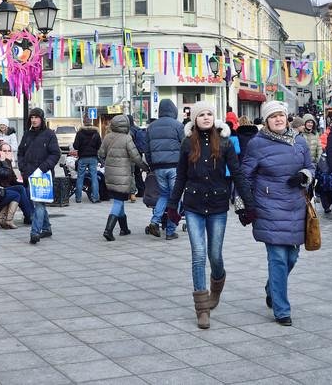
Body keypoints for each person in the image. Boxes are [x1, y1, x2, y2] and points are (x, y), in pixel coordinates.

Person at [167, 102, 251, 329]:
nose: (206, 117)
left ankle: (217, 286)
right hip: (193, 205)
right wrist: (172, 206)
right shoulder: (187, 143)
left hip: (217, 205)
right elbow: (181, 176)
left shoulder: (224, 143)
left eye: (209, 114)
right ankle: (202, 308)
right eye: (201, 114)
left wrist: (248, 204)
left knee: (215, 256)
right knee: (198, 254)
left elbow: (238, 174)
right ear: (194, 120)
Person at [240, 101, 311, 326]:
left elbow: (312, 167)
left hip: (296, 205)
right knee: (278, 258)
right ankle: (282, 310)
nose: (278, 119)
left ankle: (272, 286)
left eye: (281, 115)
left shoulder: (300, 141)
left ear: (287, 118)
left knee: (292, 256)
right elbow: (245, 176)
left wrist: (304, 175)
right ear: (266, 121)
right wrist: (243, 205)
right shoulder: (257, 144)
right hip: (269, 206)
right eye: (273, 117)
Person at [98, 114, 147, 241]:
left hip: (110, 173)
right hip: (123, 174)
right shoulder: (127, 138)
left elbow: (101, 153)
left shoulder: (107, 137)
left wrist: (106, 163)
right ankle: (108, 230)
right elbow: (136, 156)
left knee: (119, 200)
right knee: (119, 201)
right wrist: (145, 167)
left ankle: (124, 229)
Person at [17, 107, 60, 245]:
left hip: (43, 175)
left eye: (36, 117)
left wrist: (42, 168)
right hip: (29, 174)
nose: (34, 120)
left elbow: (55, 154)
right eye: (32, 117)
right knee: (37, 202)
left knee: (39, 203)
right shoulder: (27, 134)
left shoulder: (49, 135)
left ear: (42, 119)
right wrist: (23, 168)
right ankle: (46, 228)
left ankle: (35, 232)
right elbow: (20, 152)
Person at [145, 99, 185, 240]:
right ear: (173, 110)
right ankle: (170, 230)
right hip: (175, 166)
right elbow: (185, 147)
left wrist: (152, 165)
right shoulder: (178, 126)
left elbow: (147, 150)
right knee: (176, 197)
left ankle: (155, 221)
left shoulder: (151, 127)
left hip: (158, 167)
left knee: (163, 195)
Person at [71, 124, 101, 203]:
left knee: (80, 177)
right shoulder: (96, 133)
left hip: (83, 158)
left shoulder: (80, 133)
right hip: (93, 158)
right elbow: (99, 146)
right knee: (94, 177)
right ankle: (95, 197)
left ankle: (78, 198)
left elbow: (75, 146)